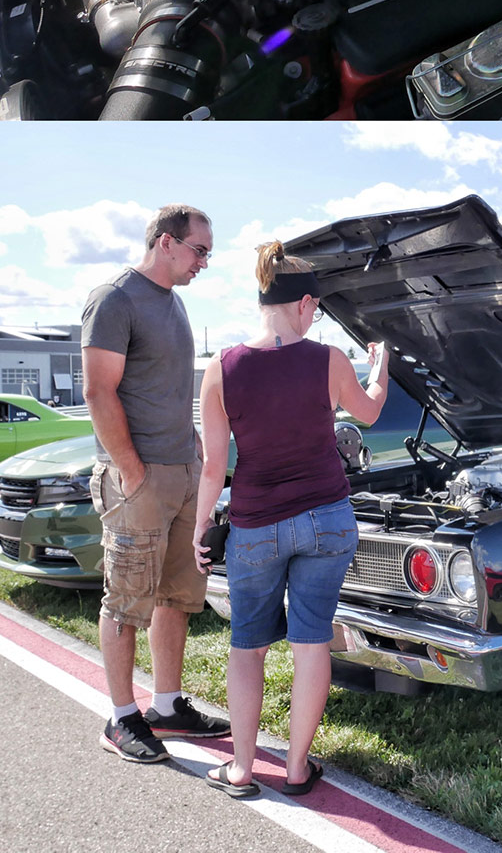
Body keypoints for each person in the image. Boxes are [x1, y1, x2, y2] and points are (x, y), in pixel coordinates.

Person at [193, 240, 389, 799]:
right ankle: (299, 768)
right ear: (304, 304)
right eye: (318, 308)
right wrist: (381, 367)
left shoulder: (222, 368)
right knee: (311, 645)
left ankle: (241, 770)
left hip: (255, 526)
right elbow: (370, 412)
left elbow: (213, 465)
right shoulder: (327, 360)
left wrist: (199, 528)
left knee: (246, 647)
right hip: (327, 518)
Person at [82, 203, 228, 765]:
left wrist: (192, 443)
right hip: (136, 479)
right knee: (125, 600)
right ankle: (121, 718)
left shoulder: (175, 303)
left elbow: (164, 386)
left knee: (176, 596)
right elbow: (99, 391)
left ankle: (166, 706)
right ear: (166, 243)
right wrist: (131, 468)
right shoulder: (114, 298)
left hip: (183, 473)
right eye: (199, 250)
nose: (204, 263)